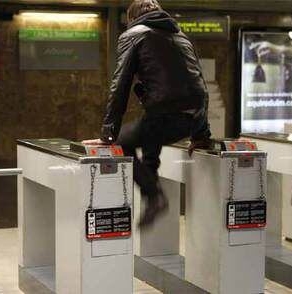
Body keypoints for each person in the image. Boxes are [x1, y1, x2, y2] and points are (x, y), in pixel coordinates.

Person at [82, 0, 211, 227]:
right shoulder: (181, 36)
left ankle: (154, 196)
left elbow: (119, 86)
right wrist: (201, 135)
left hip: (165, 115)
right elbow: (199, 86)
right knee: (150, 124)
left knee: (123, 143)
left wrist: (108, 135)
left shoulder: (134, 34)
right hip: (190, 119)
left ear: (131, 18)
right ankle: (151, 182)